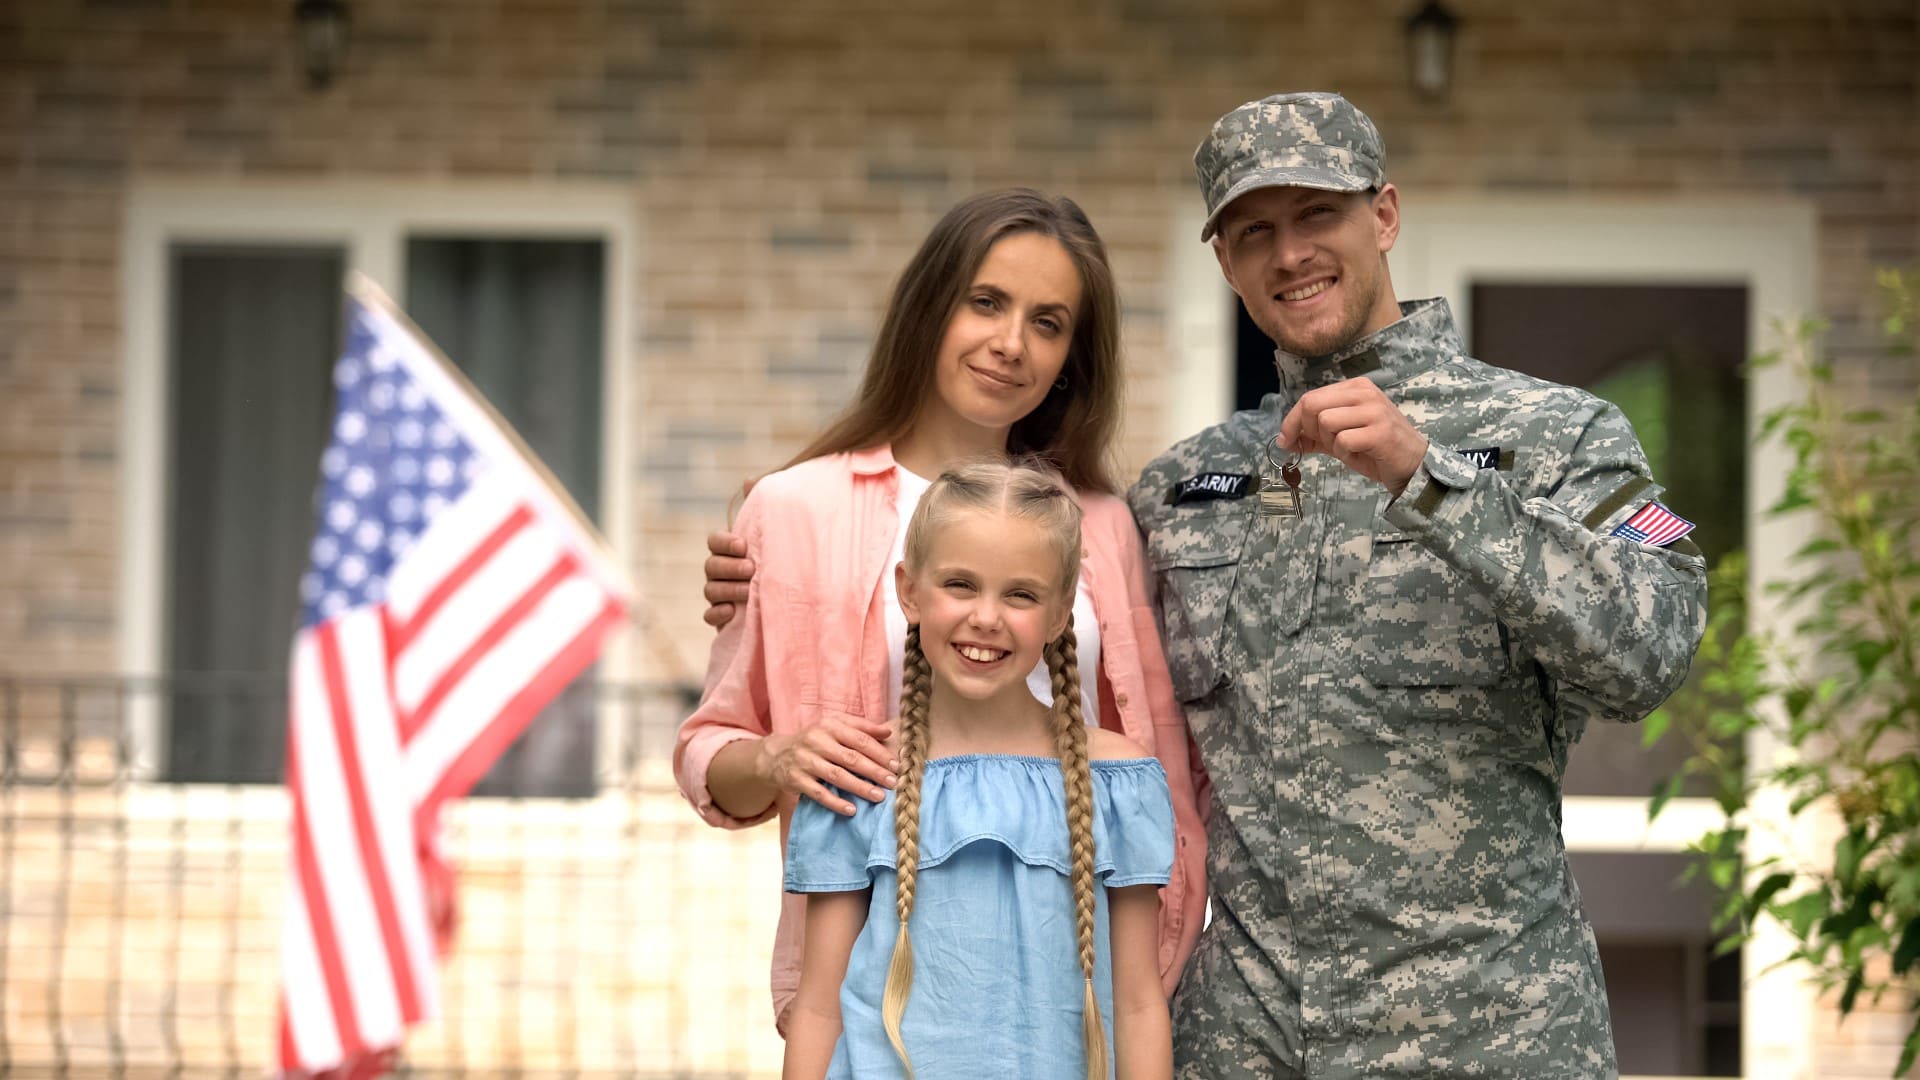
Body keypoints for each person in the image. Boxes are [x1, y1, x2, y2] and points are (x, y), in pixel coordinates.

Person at [1127, 92, 1709, 1077]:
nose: (1289, 253)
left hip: (1491, 1034)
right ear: (1224, 262)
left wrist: (1431, 478)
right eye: (1254, 231)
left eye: (1318, 214)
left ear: (1384, 215)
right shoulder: (1182, 486)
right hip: (1247, 1042)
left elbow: (1657, 643)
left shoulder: (1565, 436)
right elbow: (1043, 650)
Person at [675, 189, 1207, 1038]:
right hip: (876, 1000)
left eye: (1048, 321)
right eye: (986, 302)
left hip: (1076, 1002)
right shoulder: (792, 512)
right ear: (930, 308)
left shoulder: (1105, 527)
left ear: (1072, 354)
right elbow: (707, 749)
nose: (1010, 344)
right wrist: (782, 758)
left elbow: (1149, 766)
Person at [782, 460, 1173, 1080]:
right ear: (909, 590)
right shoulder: (861, 777)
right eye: (960, 584)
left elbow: (1139, 1004)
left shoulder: (1118, 784)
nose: (986, 617)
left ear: (1059, 612)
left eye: (1020, 594)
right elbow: (818, 1008)